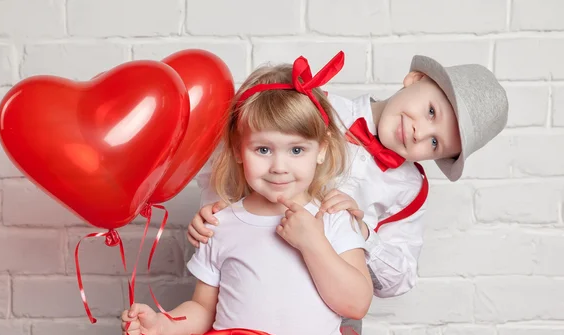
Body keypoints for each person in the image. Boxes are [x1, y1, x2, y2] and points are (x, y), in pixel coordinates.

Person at [83, 52, 423, 335]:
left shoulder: (335, 219)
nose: (279, 165)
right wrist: (161, 324)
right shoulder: (221, 224)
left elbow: (355, 301)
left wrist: (312, 241)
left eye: (296, 150)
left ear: (321, 152)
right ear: (239, 153)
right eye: (263, 149)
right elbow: (204, 310)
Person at [188, 55, 509, 300]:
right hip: (250, 294)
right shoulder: (313, 106)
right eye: (431, 112)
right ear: (416, 79)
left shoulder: (410, 190)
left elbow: (401, 279)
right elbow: (231, 152)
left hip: (330, 319)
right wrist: (216, 209)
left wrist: (363, 233)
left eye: (435, 143)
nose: (419, 133)